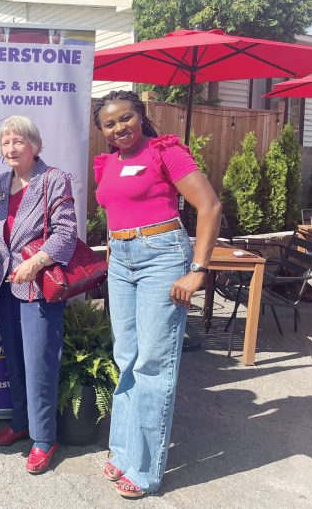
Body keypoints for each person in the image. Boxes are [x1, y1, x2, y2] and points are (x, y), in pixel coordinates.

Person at [92, 90, 221, 498]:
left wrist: (197, 270)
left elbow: (209, 206)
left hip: (161, 256)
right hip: (121, 258)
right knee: (126, 358)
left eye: (125, 119)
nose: (119, 129)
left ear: (141, 116)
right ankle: (124, 450)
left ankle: (145, 469)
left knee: (152, 363)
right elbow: (115, 212)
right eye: (110, 125)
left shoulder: (165, 152)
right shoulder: (108, 163)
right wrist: (115, 248)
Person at [0, 116, 78, 474]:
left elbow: (66, 232)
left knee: (40, 363)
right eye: (5, 143)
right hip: (3, 286)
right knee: (15, 360)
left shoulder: (53, 180)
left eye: (18, 141)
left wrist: (34, 264)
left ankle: (43, 438)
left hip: (38, 286)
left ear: (34, 145)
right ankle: (20, 422)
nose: (10, 149)